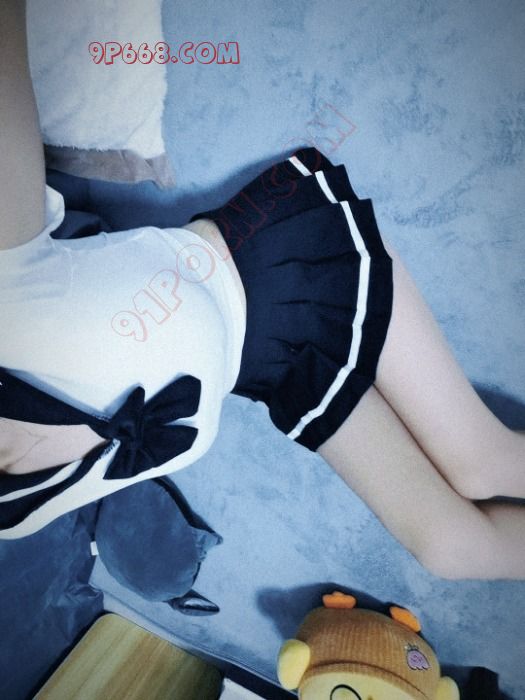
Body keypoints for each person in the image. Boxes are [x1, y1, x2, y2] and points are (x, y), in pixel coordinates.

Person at [1, 0, 524, 578]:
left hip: (285, 261)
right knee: (450, 551)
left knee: (481, 464)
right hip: (275, 373)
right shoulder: (15, 514)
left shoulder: (7, 308)